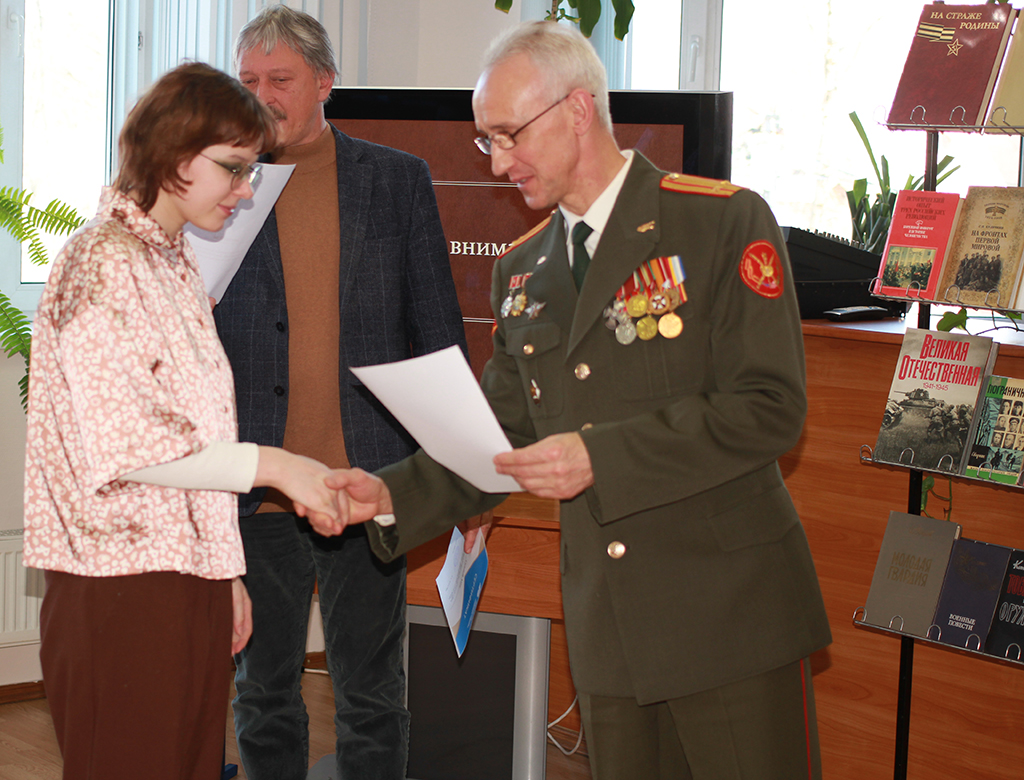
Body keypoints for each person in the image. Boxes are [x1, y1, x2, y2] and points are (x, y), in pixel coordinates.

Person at [327, 20, 833, 780]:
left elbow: (769, 407)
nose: (497, 162)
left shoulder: (718, 220)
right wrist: (390, 495)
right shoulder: (523, 271)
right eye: (486, 141)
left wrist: (599, 456)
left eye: (509, 135)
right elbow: (495, 438)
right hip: (610, 630)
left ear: (576, 109)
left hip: (729, 616)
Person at [22, 62, 347, 780]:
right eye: (233, 168)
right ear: (173, 154)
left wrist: (221, 571)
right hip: (119, 582)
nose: (246, 189)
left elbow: (196, 432)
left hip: (181, 577)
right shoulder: (102, 261)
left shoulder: (170, 263)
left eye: (251, 170)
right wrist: (279, 466)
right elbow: (133, 445)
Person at [212, 7, 467, 779]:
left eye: (279, 79)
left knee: (372, 694)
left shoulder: (396, 180)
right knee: (263, 693)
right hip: (259, 486)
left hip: (368, 480)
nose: (261, 96)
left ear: (324, 82)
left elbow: (437, 332)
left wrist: (459, 475)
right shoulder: (219, 186)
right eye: (248, 80)